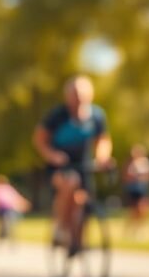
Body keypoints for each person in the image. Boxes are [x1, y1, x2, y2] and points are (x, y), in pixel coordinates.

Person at [33, 75, 113, 254]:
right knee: (69, 183)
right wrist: (52, 155)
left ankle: (77, 241)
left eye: (82, 93)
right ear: (67, 96)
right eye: (75, 94)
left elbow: (103, 140)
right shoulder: (58, 115)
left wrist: (102, 157)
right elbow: (39, 139)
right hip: (60, 164)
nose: (79, 98)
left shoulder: (96, 115)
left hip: (83, 164)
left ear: (90, 95)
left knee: (82, 202)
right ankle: (60, 227)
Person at [123, 144, 149, 238]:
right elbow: (126, 176)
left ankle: (139, 230)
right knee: (133, 211)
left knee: (143, 209)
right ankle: (129, 229)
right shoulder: (130, 163)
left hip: (143, 188)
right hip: (133, 189)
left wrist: (143, 177)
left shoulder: (145, 162)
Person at [0, 174, 31, 244]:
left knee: (7, 225)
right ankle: (5, 237)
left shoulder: (6, 188)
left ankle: (7, 237)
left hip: (9, 208)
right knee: (5, 225)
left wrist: (22, 202)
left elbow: (15, 196)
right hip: (3, 209)